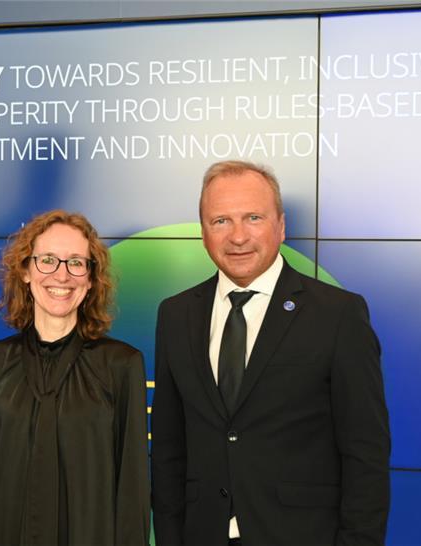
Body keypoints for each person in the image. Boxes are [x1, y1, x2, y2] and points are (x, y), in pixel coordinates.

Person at [151, 160, 390, 546]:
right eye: (221, 221)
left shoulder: (338, 314)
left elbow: (365, 454)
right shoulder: (176, 314)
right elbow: (168, 449)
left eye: (253, 217)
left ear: (280, 225)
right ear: (203, 233)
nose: (238, 236)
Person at [0, 210, 150, 546]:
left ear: (91, 278)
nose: (61, 275)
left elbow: (131, 491)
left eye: (76, 262)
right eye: (47, 260)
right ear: (26, 271)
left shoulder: (121, 365)